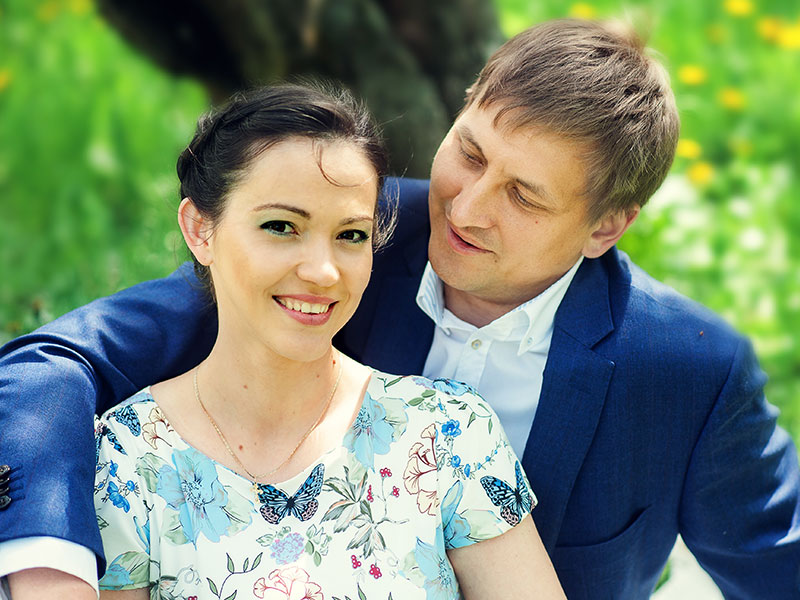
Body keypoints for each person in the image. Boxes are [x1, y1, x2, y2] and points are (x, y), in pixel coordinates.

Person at [1, 17, 799, 600]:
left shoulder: (686, 367)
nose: (468, 207)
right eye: (472, 152)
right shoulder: (346, 236)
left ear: (606, 227)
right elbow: (57, 362)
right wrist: (46, 560)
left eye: (523, 195)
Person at [21, 83, 567, 599]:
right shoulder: (127, 462)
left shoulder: (449, 434)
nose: (324, 271)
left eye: (350, 235)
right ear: (199, 230)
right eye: (282, 226)